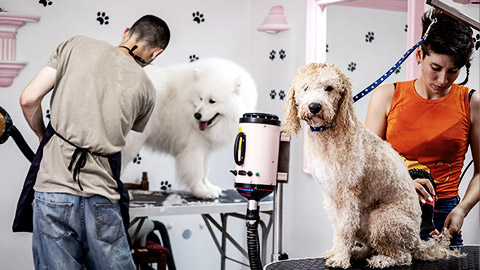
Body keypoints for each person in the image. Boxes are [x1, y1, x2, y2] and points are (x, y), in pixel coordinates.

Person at [13, 15, 170, 269]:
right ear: (155, 54)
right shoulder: (146, 89)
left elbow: (28, 99)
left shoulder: (74, 45)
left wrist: (45, 137)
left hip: (53, 190)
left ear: (127, 31)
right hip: (101, 196)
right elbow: (114, 135)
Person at [365, 9, 478, 246]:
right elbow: (367, 165)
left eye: (453, 71)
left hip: (443, 214)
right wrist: (402, 183)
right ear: (419, 55)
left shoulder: (471, 103)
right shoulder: (387, 96)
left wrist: (462, 210)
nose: (442, 80)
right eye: (435, 68)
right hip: (389, 207)